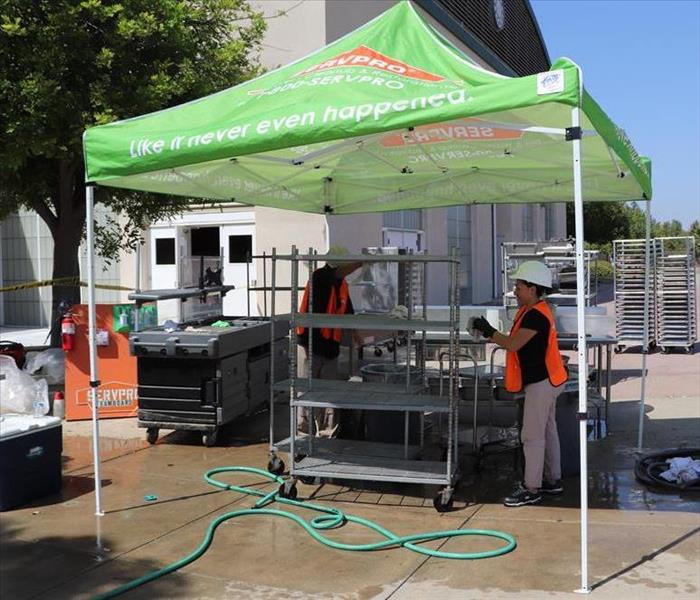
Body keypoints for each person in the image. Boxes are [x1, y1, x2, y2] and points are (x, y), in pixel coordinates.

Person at [471, 261, 568, 507]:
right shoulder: (534, 309)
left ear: (533, 288)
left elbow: (513, 344)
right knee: (547, 430)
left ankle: (531, 488)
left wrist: (487, 330)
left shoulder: (536, 315)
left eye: (519, 285)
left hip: (542, 383)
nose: (515, 290)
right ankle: (552, 480)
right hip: (549, 380)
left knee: (532, 436)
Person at [297, 246, 362, 437]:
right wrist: (361, 263)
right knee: (307, 391)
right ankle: (303, 436)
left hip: (330, 346)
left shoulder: (341, 284)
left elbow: (348, 312)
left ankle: (327, 435)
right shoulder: (320, 276)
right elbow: (336, 274)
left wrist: (355, 334)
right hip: (310, 344)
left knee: (329, 393)